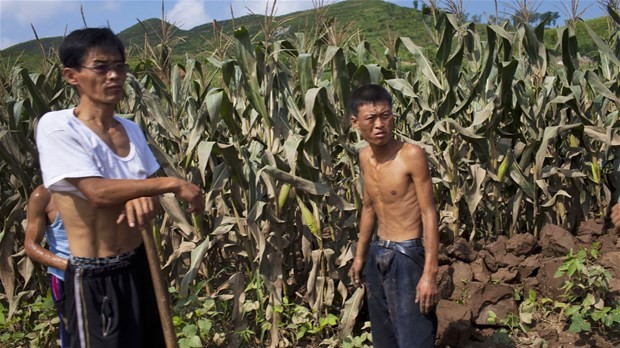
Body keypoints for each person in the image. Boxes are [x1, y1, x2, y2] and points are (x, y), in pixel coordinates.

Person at [36, 27, 204, 348]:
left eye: (120, 67)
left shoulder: (130, 129)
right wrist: (167, 183)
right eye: (101, 67)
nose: (114, 75)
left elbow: (149, 205)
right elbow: (96, 193)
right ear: (72, 76)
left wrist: (142, 193)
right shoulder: (58, 126)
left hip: (139, 265)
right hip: (94, 275)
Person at [348, 84, 439, 347]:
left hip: (407, 256)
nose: (379, 125)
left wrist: (430, 273)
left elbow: (429, 212)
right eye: (371, 118)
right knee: (384, 338)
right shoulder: (364, 157)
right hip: (378, 254)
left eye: (385, 116)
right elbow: (368, 207)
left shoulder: (410, 155)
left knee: (414, 338)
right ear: (356, 123)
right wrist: (360, 256)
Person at [24, 185, 71, 347]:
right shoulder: (42, 196)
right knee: (73, 335)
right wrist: (70, 266)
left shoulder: (96, 185)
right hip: (65, 279)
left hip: (102, 274)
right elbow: (31, 245)